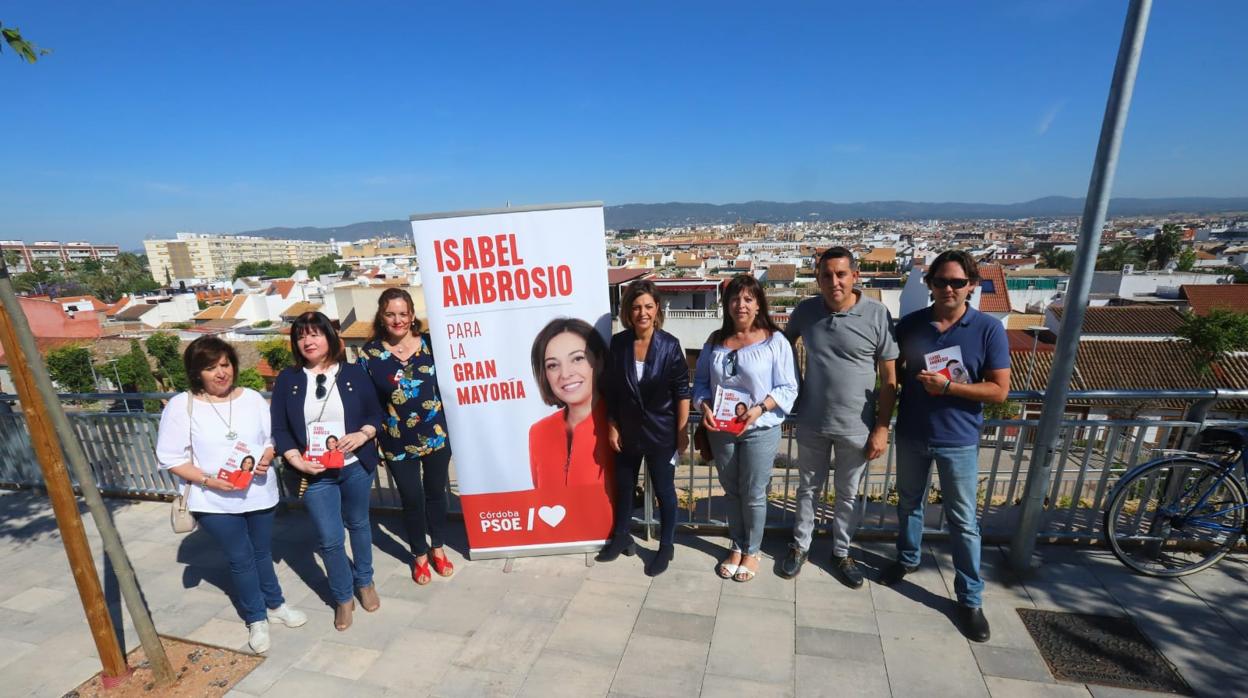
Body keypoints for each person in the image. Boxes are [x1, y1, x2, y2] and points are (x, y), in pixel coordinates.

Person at [879, 250, 1010, 643]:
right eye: (941, 281)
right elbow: (892, 373)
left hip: (959, 439)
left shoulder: (987, 328)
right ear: (930, 284)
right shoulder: (912, 324)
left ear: (971, 285)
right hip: (913, 433)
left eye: (957, 282)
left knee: (964, 522)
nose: (948, 288)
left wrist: (950, 387)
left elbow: (1000, 391)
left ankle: (970, 599)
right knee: (908, 503)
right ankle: (907, 559)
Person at [155, 336, 307, 654]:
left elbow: (270, 438)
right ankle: (256, 618)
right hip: (213, 500)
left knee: (262, 552)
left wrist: (268, 457)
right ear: (197, 373)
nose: (221, 373)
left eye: (225, 364)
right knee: (241, 557)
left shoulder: (251, 398)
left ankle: (276, 605)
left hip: (258, 494)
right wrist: (208, 481)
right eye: (210, 368)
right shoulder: (183, 406)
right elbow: (170, 457)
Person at [781, 247, 898, 587]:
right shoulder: (805, 311)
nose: (834, 281)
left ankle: (842, 552)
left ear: (855, 276)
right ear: (817, 279)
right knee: (807, 489)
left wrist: (881, 427)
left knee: (847, 494)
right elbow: (780, 345)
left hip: (857, 426)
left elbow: (890, 380)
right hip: (812, 420)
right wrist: (793, 385)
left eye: (841, 274)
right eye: (827, 275)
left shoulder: (876, 314)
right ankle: (800, 547)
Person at [271, 311, 385, 632]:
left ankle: (365, 582)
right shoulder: (288, 380)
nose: (308, 341)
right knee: (330, 540)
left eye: (315, 334)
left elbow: (376, 414)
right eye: (301, 336)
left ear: (329, 338)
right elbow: (279, 428)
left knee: (360, 525)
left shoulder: (354, 373)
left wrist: (362, 434)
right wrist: (296, 460)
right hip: (315, 473)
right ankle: (342, 598)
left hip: (355, 467)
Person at [693, 274, 798, 582]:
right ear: (726, 304)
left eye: (748, 299)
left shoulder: (774, 341)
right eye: (735, 299)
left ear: (758, 305)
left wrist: (759, 409)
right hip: (721, 428)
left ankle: (752, 551)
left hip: (759, 429)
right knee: (732, 491)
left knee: (753, 493)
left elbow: (788, 387)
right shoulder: (715, 341)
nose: (741, 305)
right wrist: (704, 406)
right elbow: (700, 383)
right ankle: (737, 546)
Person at [359, 287, 455, 587]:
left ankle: (437, 546)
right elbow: (367, 401)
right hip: (396, 440)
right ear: (382, 316)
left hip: (437, 435)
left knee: (437, 494)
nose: (397, 320)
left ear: (412, 315)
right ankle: (419, 555)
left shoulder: (431, 345)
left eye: (403, 313)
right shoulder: (370, 354)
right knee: (412, 499)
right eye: (390, 314)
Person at [599, 280, 691, 576]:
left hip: (661, 432)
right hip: (627, 429)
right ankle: (622, 536)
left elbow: (682, 392)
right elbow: (612, 390)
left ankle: (666, 546)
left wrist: (681, 432)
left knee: (664, 492)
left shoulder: (670, 345)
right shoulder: (620, 343)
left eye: (648, 307)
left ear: (657, 309)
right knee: (624, 487)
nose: (642, 313)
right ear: (628, 311)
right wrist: (612, 425)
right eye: (636, 307)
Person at [528, 318, 614, 494]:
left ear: (599, 361)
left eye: (577, 359)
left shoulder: (616, 421)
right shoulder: (539, 432)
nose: (565, 374)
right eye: (552, 365)